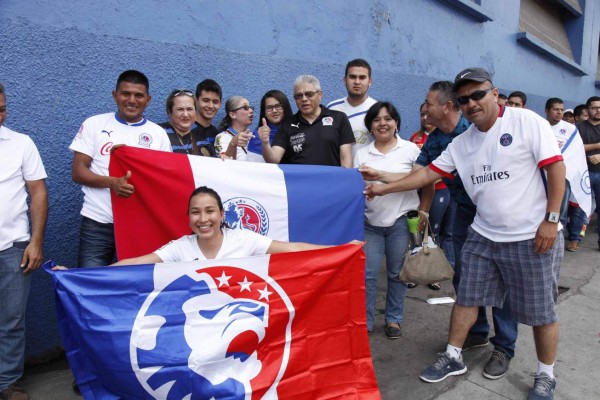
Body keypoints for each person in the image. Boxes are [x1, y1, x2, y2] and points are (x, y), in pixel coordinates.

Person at [366, 67, 565, 400]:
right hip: (483, 234)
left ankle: (546, 375)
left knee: (541, 311)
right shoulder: (461, 143)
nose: (471, 103)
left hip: (531, 236)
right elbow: (427, 174)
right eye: (464, 98)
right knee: (467, 297)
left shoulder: (526, 122)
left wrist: (551, 219)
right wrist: (384, 189)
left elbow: (555, 167)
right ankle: (454, 355)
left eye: (478, 94)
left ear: (494, 92)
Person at [82, 186, 342, 265]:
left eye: (209, 211)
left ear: (221, 214)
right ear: (188, 218)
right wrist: (76, 274)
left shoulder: (243, 239)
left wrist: (339, 249)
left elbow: (293, 247)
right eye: (195, 213)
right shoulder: (180, 248)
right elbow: (136, 262)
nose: (203, 219)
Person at [69, 70, 172, 268]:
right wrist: (111, 182)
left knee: (135, 287)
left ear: (148, 99)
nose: (132, 100)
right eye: (125, 93)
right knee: (92, 284)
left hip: (140, 224)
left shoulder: (157, 134)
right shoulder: (94, 124)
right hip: (98, 222)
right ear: (115, 95)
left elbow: (162, 180)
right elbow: (78, 171)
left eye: (139, 95)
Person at [354, 101, 420, 338]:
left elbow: (421, 178)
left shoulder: (411, 150)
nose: (382, 124)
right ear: (370, 127)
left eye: (388, 119)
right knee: (368, 275)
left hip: (400, 222)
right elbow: (353, 186)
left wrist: (426, 211)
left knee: (397, 273)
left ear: (396, 123)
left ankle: (393, 319)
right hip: (370, 224)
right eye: (376, 120)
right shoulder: (361, 153)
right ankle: (366, 321)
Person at [0, 82, 48, 400]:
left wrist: (36, 242)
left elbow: (38, 192)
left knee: (12, 320)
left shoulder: (21, 143)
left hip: (13, 247)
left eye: (2, 108)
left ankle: (6, 383)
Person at [261, 75, 355, 167]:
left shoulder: (339, 118)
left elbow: (345, 160)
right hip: (299, 182)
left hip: (330, 181)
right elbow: (273, 160)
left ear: (320, 94)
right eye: (299, 96)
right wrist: (265, 143)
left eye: (309, 94)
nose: (304, 99)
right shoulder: (287, 124)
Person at [544, 98, 588, 252]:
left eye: (561, 110)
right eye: (556, 109)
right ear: (547, 111)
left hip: (563, 178)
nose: (559, 113)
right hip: (540, 177)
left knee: (560, 213)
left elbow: (576, 151)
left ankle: (557, 244)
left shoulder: (570, 129)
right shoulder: (540, 127)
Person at [327, 58, 378, 157]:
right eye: (352, 77)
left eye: (362, 77)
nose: (357, 82)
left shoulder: (377, 109)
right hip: (339, 170)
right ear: (345, 80)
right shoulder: (332, 108)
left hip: (368, 170)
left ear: (370, 81)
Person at [159, 89, 215, 156]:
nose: (185, 114)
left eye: (189, 109)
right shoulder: (159, 132)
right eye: (180, 109)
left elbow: (214, 163)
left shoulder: (201, 135)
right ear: (170, 112)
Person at [577, 96, 600, 250]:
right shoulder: (578, 127)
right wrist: (597, 145)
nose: (598, 110)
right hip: (582, 173)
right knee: (579, 209)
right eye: (594, 108)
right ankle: (575, 239)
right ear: (587, 109)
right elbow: (576, 147)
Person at [248, 90, 293, 162]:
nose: (274, 111)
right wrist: (265, 142)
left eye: (278, 106)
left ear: (285, 108)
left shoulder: (296, 131)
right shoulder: (257, 135)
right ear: (264, 112)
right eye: (269, 108)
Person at [214, 96, 255, 161]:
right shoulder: (222, 137)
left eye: (250, 107)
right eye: (245, 108)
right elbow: (224, 163)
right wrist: (233, 143)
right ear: (233, 115)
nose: (251, 110)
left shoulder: (253, 136)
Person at [193, 79, 222, 153]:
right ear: (196, 101)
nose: (211, 106)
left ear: (220, 104)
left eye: (215, 102)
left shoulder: (217, 135)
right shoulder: (185, 130)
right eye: (206, 100)